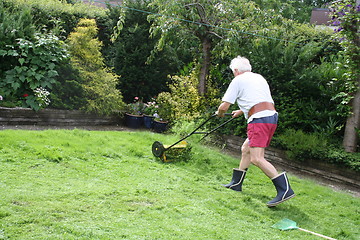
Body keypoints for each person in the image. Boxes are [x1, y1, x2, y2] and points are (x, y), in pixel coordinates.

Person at [216, 56, 295, 207]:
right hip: (270, 117)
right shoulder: (258, 78)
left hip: (258, 120)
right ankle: (236, 183)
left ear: (236, 70)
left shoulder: (238, 80)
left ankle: (285, 190)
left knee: (257, 158)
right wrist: (241, 110)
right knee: (246, 149)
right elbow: (259, 99)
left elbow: (224, 106)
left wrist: (219, 113)